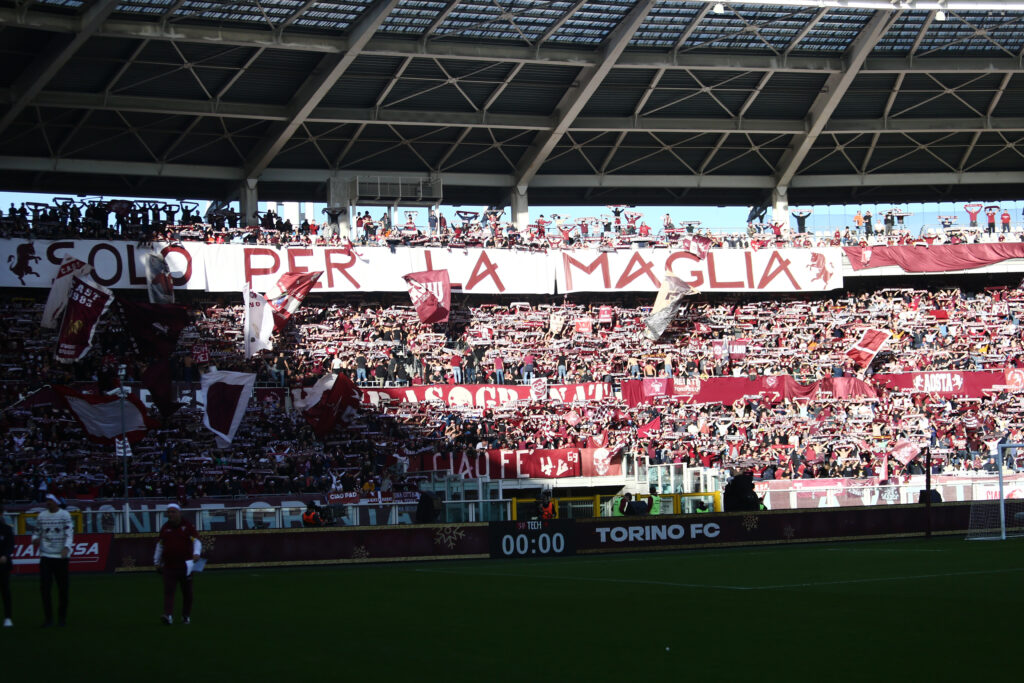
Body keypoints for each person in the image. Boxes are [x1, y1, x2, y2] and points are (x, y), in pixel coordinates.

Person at [154, 503, 201, 626]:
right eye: (168, 512)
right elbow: (160, 545)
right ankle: (168, 615)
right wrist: (156, 561)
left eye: (173, 512)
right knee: (169, 592)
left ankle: (186, 616)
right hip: (169, 565)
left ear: (179, 513)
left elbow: (196, 541)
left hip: (186, 565)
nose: (170, 514)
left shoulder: (187, 526)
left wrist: (196, 553)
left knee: (187, 593)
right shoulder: (165, 528)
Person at [32, 493, 73, 627]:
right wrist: (34, 540)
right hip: (46, 556)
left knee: (63, 589)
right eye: (46, 501)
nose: (47, 503)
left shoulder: (64, 515)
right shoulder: (41, 516)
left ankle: (62, 618)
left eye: (50, 500)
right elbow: (36, 532)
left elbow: (69, 532)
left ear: (56, 502)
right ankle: (48, 619)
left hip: (61, 558)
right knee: (45, 589)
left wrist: (66, 547)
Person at [0, 504, 13, 627]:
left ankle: (8, 617)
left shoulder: (6, 529)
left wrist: (5, 555)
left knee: (5, 591)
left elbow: (10, 546)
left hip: (3, 565)